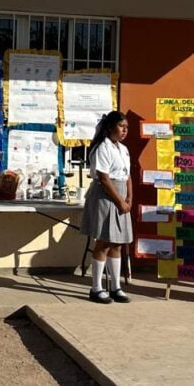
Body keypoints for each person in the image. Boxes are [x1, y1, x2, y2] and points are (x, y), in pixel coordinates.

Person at [81, 111, 133, 304]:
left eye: (127, 128)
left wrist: (129, 198)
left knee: (117, 242)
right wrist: (119, 201)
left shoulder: (123, 149)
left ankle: (115, 286)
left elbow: (127, 176)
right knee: (103, 241)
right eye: (121, 127)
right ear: (110, 127)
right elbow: (104, 178)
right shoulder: (102, 148)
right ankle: (96, 288)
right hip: (106, 195)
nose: (124, 131)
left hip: (120, 193)